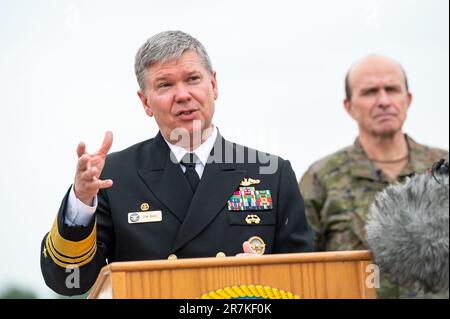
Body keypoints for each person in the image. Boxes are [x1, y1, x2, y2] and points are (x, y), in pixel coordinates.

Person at [41, 31, 314, 296]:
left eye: (193, 79)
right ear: (145, 101)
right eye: (165, 85)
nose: (182, 95)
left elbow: (306, 281)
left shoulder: (271, 173)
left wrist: (264, 279)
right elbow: (69, 282)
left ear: (214, 85)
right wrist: (81, 201)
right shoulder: (113, 176)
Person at [299, 55, 448, 298]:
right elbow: (302, 268)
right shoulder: (321, 179)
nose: (383, 101)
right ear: (349, 106)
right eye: (369, 92)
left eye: (392, 89)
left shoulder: (443, 169)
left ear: (408, 99)